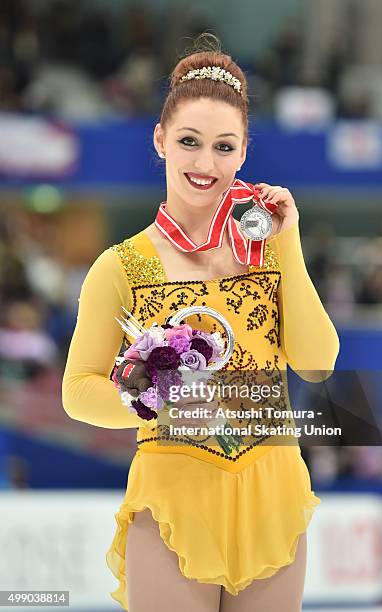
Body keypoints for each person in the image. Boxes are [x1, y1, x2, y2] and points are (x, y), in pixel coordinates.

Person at [62, 33, 340, 612]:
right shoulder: (120, 267)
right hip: (173, 493)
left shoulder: (267, 251)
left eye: (224, 146)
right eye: (189, 141)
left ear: (243, 155)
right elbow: (78, 393)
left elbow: (317, 361)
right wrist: (151, 400)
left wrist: (287, 244)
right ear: (161, 140)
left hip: (273, 489)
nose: (204, 163)